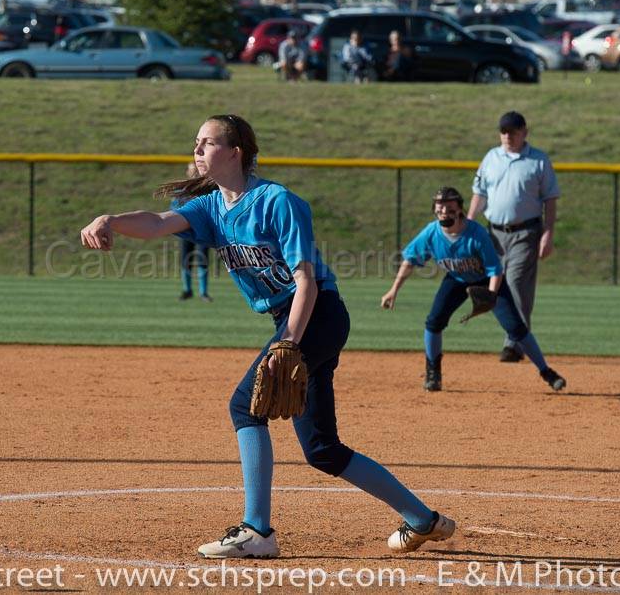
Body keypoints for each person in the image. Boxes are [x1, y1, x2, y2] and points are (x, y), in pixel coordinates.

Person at [81, 114, 455, 558]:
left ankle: (257, 530)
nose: (197, 150)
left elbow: (307, 281)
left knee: (245, 404)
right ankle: (423, 520)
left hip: (315, 314)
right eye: (196, 142)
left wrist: (288, 343)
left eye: (207, 142)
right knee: (322, 449)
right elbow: (159, 223)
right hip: (292, 319)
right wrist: (111, 219)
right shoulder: (210, 207)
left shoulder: (278, 201)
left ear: (236, 151)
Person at [382, 187, 566, 393]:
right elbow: (410, 260)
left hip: (487, 280)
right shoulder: (431, 233)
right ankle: (433, 372)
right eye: (440, 207)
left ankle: (546, 371)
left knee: (515, 328)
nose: (444, 211)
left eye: (450, 207)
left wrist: (491, 296)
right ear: (434, 209)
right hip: (457, 280)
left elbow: (496, 270)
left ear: (460, 209)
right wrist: (393, 290)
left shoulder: (476, 234)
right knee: (434, 322)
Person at [467, 112, 560, 364]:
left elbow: (550, 199)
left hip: (526, 232)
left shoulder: (538, 160)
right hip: (493, 233)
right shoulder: (491, 157)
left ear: (524, 133)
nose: (507, 136)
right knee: (497, 286)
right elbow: (479, 193)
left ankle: (514, 344)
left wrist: (548, 233)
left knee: (517, 284)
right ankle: (516, 338)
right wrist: (469, 224)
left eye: (513, 131)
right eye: (503, 131)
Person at [172, 163, 212, 301]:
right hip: (186, 230)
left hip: (202, 230)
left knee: (202, 260)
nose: (194, 172)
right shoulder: (181, 190)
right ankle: (187, 290)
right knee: (185, 260)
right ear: (187, 172)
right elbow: (174, 209)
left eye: (196, 169)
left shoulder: (205, 189)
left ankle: (203, 292)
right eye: (191, 170)